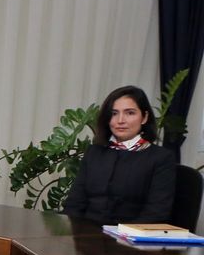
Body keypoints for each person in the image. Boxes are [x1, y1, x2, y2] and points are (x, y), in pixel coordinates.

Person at [63, 85, 175, 225]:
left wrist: (122, 234)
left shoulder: (161, 158)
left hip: (131, 235)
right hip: (86, 233)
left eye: (130, 113)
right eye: (114, 113)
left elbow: (157, 212)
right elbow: (74, 204)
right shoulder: (94, 152)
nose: (120, 120)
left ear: (144, 117)